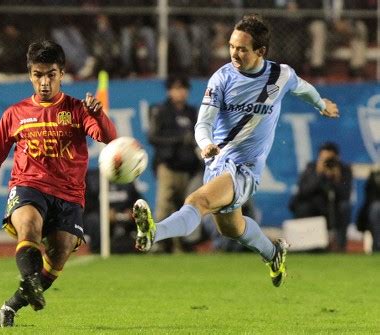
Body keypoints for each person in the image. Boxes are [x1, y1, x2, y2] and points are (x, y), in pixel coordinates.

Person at [132, 14, 339, 287]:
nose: (234, 53)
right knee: (232, 228)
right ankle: (273, 254)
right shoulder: (222, 78)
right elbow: (203, 123)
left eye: (242, 48)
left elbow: (303, 88)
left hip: (245, 169)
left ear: (260, 51)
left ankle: (154, 233)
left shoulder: (280, 75)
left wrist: (320, 103)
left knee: (197, 201)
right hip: (218, 162)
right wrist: (205, 143)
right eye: (231, 46)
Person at [0, 40, 117, 327]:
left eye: (51, 74)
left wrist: (98, 114)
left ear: (62, 74)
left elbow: (110, 140)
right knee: (29, 226)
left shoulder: (77, 110)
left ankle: (12, 304)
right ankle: (30, 279)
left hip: (69, 195)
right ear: (30, 75)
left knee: (60, 253)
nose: (45, 82)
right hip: (29, 185)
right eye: (38, 75)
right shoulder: (15, 114)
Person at [148, 75, 203, 253]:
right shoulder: (161, 111)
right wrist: (180, 139)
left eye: (183, 88)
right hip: (169, 166)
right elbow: (153, 137)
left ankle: (182, 245)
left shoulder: (192, 112)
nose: (179, 92)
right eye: (175, 88)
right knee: (163, 205)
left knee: (185, 207)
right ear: (169, 91)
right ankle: (156, 243)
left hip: (189, 168)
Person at [289, 142, 352, 252]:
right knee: (304, 208)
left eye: (330, 159)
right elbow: (304, 192)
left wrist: (336, 178)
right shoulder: (311, 168)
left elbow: (345, 195)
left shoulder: (344, 170)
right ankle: (307, 248)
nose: (328, 163)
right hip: (314, 206)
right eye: (324, 159)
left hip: (335, 208)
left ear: (337, 158)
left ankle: (340, 247)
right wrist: (318, 174)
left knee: (345, 208)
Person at [84, 169, 143, 254]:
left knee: (142, 215)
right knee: (93, 219)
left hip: (124, 216)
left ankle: (142, 246)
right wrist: (103, 213)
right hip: (100, 217)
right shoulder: (93, 179)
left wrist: (132, 211)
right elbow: (88, 205)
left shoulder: (127, 179)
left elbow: (137, 200)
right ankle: (97, 249)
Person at [356, 166, 380, 252]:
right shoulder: (375, 176)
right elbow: (370, 197)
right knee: (376, 208)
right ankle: (378, 245)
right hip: (374, 208)